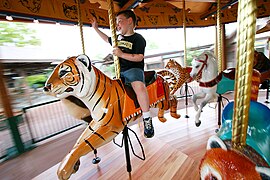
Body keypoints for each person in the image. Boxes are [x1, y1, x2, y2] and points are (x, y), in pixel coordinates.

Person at [90, 10, 154, 138]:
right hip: (120, 72)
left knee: (139, 87)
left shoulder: (138, 38)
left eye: (120, 21)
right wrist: (95, 28)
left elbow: (139, 57)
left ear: (129, 21)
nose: (117, 25)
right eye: (116, 22)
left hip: (134, 70)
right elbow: (106, 38)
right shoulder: (117, 38)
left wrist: (121, 54)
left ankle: (147, 118)